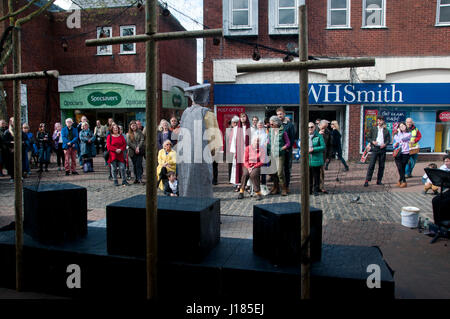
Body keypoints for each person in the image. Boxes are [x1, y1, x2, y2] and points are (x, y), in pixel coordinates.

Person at [176, 83, 222, 198]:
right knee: (202, 184)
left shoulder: (185, 113)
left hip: (185, 156)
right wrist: (212, 153)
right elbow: (214, 138)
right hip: (201, 156)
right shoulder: (207, 113)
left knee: (186, 182)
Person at [364, 115, 391, 187]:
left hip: (382, 149)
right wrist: (372, 142)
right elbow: (368, 137)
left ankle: (379, 180)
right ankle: (367, 180)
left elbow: (389, 140)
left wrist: (385, 144)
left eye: (381, 120)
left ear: (383, 121)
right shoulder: (373, 129)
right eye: (378, 120)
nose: (379, 122)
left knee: (381, 166)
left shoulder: (386, 130)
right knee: (371, 164)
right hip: (375, 148)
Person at [267, 116, 290, 196]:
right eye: (270, 123)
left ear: (277, 123)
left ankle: (284, 188)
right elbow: (269, 141)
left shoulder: (283, 131)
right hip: (272, 154)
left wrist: (283, 148)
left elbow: (288, 143)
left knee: (280, 172)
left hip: (280, 154)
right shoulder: (270, 131)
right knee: (273, 172)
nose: (271, 124)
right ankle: (276, 188)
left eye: (272, 123)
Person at [277, 108, 295, 194]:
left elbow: (292, 139)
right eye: (278, 114)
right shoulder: (276, 124)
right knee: (278, 170)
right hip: (278, 152)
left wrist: (287, 148)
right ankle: (278, 186)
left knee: (286, 169)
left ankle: (286, 186)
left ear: (284, 114)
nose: (279, 116)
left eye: (280, 114)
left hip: (287, 151)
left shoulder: (290, 125)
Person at [431, 155, 450, 226]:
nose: (446, 163)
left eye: (448, 161)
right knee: (436, 200)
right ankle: (438, 223)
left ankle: (445, 222)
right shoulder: (443, 168)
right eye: (445, 161)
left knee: (444, 202)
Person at [308, 122, 326, 196]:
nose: (310, 129)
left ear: (315, 127)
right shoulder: (305, 136)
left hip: (316, 158)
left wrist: (313, 149)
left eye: (312, 127)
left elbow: (323, 147)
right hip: (308, 159)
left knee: (316, 175)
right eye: (308, 127)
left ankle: (316, 190)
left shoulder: (319, 136)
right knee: (309, 175)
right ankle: (309, 190)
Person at [393, 122, 412, 188]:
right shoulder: (396, 134)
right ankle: (403, 181)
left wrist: (399, 133)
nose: (402, 127)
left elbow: (401, 139)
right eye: (400, 126)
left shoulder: (408, 134)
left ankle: (401, 180)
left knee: (403, 167)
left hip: (405, 153)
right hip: (398, 152)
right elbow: (395, 141)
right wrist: (395, 144)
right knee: (399, 167)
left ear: (406, 126)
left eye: (403, 126)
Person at [318, 119, 332, 194]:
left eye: (326, 127)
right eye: (323, 127)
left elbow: (330, 145)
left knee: (321, 172)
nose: (324, 129)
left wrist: (328, 157)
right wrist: (318, 134)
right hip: (314, 154)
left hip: (323, 155)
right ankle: (313, 187)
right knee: (312, 171)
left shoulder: (328, 132)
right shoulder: (313, 129)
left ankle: (321, 186)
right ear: (319, 125)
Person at [228, 116, 240, 189]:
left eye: (233, 122)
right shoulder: (232, 130)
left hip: (237, 151)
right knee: (233, 167)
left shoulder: (237, 130)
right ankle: (235, 181)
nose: (232, 124)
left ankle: (237, 181)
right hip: (233, 151)